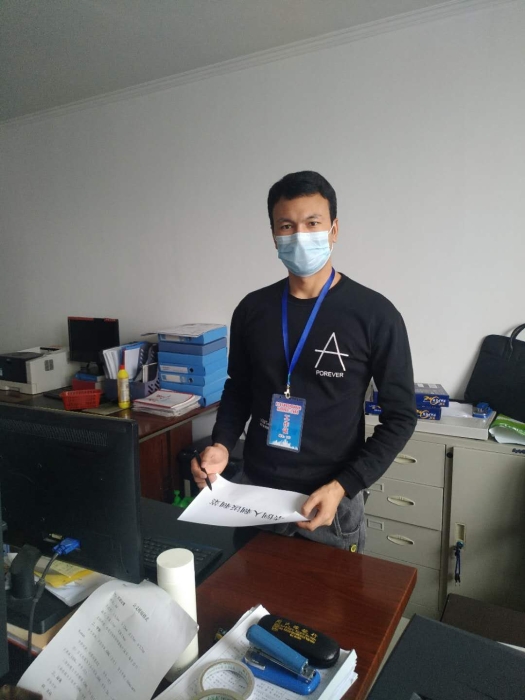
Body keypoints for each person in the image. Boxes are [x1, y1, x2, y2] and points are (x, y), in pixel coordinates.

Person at [191, 171, 416, 552]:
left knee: (330, 594)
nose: (299, 236)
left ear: (334, 229)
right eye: (286, 226)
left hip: (330, 501)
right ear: (274, 235)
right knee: (247, 589)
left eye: (312, 223)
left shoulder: (375, 314)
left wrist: (345, 485)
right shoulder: (252, 309)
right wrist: (223, 445)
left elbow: (401, 417)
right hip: (255, 493)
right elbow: (239, 388)